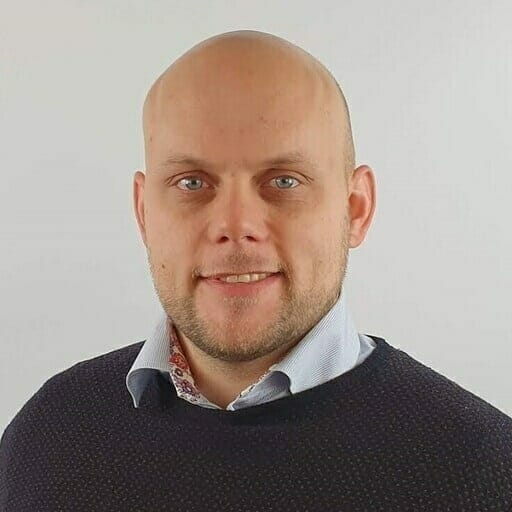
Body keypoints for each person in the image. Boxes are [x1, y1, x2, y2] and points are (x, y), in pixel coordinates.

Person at [1, 29, 511, 511]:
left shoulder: (486, 473)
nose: (235, 225)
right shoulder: (45, 433)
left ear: (356, 209)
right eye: (191, 183)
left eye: (284, 181)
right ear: (143, 213)